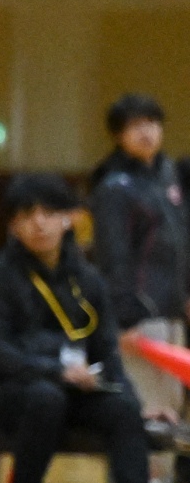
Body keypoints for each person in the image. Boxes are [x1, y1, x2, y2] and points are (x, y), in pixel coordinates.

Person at [0, 173, 166, 483]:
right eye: (27, 215)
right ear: (13, 226)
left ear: (68, 219)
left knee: (123, 408)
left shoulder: (88, 280)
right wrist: (56, 371)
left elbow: (106, 351)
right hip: (7, 389)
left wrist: (131, 398)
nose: (39, 223)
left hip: (72, 387)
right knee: (46, 398)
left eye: (48, 213)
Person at [86, 93, 187, 434]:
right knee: (147, 411)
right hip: (140, 320)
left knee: (172, 412)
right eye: (135, 125)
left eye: (152, 123)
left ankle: (163, 474)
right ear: (119, 135)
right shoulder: (114, 187)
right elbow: (113, 257)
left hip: (172, 316)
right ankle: (141, 473)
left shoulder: (167, 176)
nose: (146, 132)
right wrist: (124, 321)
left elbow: (179, 244)